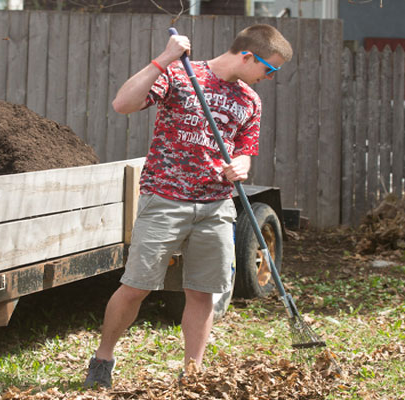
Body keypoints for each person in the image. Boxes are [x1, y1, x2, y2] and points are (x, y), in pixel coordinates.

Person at [83, 24, 292, 388]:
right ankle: (103, 358)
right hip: (165, 198)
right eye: (268, 69)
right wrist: (163, 59)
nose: (267, 77)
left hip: (216, 206)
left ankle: (191, 372)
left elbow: (244, 152)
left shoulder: (249, 101)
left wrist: (241, 166)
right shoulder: (181, 75)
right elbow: (123, 104)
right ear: (247, 56)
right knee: (136, 287)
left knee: (203, 292)